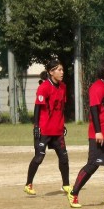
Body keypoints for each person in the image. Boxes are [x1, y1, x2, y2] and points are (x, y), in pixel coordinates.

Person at [67, 58, 104, 208]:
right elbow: (94, 109)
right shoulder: (98, 86)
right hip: (101, 135)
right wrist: (98, 131)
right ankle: (73, 193)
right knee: (93, 164)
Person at [24, 59, 70, 196]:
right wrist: (36, 126)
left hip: (57, 130)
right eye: (59, 70)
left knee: (64, 158)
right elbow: (37, 107)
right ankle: (28, 184)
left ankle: (66, 185)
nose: (62, 72)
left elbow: (60, 108)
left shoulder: (63, 87)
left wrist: (63, 124)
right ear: (51, 72)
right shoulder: (44, 87)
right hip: (44, 129)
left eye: (62, 69)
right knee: (39, 157)